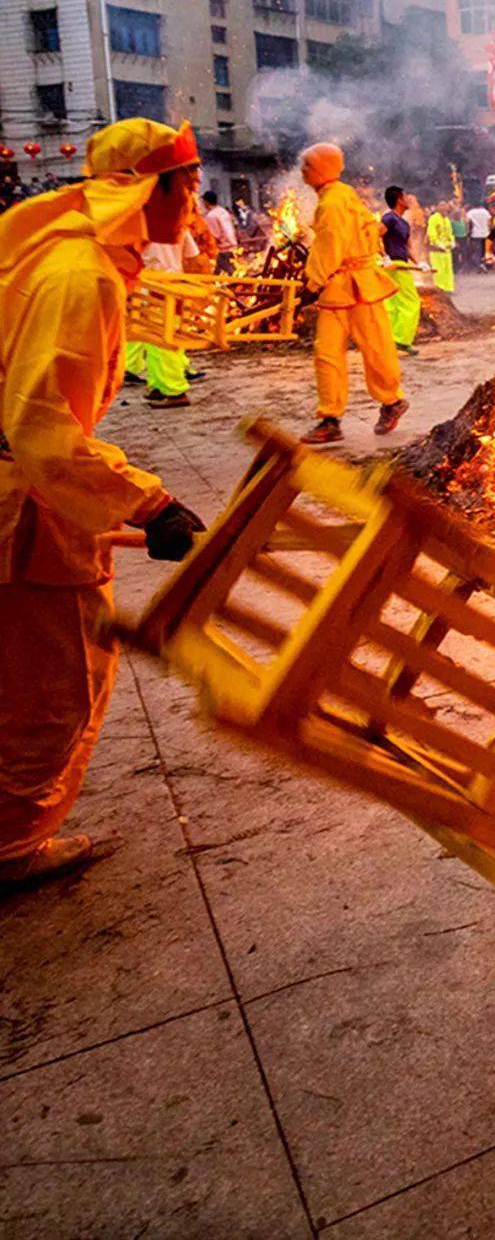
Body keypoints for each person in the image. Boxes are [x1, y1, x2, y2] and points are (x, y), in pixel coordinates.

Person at [0, 118, 207, 890]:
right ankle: (13, 845)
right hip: (26, 512)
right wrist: (147, 505)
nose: (193, 198)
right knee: (52, 689)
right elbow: (43, 430)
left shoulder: (73, 258)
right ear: (144, 191)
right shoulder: (79, 275)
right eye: (185, 184)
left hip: (29, 496)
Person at [299, 142, 408, 445]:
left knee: (351, 348)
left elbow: (329, 247)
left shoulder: (332, 202)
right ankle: (332, 417)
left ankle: (384, 402)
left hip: (347, 282)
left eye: (307, 165)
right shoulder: (343, 194)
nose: (303, 171)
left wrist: (311, 283)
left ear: (322, 168)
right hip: (352, 282)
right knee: (349, 348)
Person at [124, 225, 203, 407]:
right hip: (174, 285)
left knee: (162, 342)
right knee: (155, 341)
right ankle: (159, 385)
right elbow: (192, 257)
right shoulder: (178, 223)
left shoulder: (138, 226)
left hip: (153, 290)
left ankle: (174, 391)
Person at [382, 184, 422, 355]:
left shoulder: (403, 223)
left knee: (393, 304)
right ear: (399, 200)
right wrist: (384, 256)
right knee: (411, 302)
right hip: (394, 265)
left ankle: (389, 339)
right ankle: (402, 340)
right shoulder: (389, 218)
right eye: (405, 197)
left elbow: (408, 246)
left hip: (402, 263)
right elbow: (374, 235)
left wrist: (419, 263)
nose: (408, 200)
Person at [202, 189, 238, 271]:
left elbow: (214, 236)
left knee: (225, 277)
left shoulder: (211, 216)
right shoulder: (223, 211)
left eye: (203, 201)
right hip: (233, 248)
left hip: (223, 251)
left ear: (206, 202)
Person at [427, 200, 456, 293]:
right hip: (437, 250)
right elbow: (431, 233)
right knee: (439, 270)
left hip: (447, 249)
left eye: (445, 205)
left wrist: (452, 241)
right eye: (441, 205)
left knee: (448, 269)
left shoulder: (447, 220)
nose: (444, 207)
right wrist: (437, 243)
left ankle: (448, 288)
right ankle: (440, 288)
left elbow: (450, 233)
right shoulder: (433, 218)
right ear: (437, 207)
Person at [466, 198, 492, 271]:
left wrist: (468, 232)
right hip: (486, 233)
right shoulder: (485, 212)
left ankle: (478, 265)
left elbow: (467, 222)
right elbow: (489, 223)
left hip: (475, 234)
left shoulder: (471, 212)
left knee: (477, 250)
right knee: (485, 250)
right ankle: (484, 264)